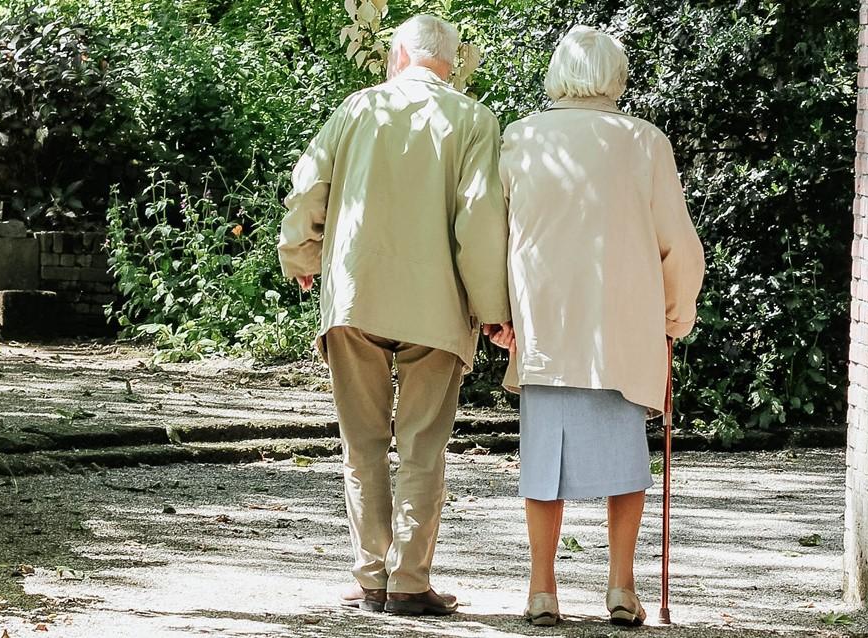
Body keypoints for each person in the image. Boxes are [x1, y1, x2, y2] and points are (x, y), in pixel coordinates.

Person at [277, 14, 513, 617]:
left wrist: (300, 254)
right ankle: (409, 582)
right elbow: (480, 221)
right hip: (436, 305)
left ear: (399, 53)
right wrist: (494, 311)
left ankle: (370, 577)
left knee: (362, 443)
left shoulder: (357, 109)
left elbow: (309, 189)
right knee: (422, 445)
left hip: (357, 294)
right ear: (452, 63)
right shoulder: (474, 120)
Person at [493, 25, 706, 627]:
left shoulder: (521, 138)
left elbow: (494, 236)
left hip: (547, 323)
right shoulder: (644, 143)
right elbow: (679, 246)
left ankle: (542, 589)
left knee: (542, 462)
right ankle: (620, 586)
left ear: (558, 73)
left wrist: (497, 313)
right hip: (622, 325)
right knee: (625, 460)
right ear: (617, 77)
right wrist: (675, 312)